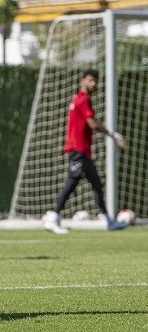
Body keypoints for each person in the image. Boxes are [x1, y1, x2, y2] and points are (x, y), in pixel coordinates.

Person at [44, 69, 127, 235]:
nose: (93, 83)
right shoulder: (83, 100)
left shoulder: (80, 99)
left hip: (84, 152)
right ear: (83, 81)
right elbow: (93, 124)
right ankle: (52, 218)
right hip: (78, 150)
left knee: (97, 185)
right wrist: (113, 135)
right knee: (71, 183)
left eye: (95, 80)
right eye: (90, 80)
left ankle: (109, 221)